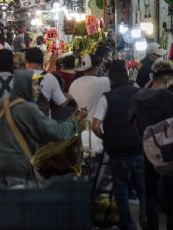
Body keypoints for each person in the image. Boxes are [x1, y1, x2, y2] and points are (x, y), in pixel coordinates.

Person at [0, 69, 87, 188]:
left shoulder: (0, 103)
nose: (39, 88)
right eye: (35, 84)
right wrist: (76, 121)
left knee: (1, 204)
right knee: (21, 205)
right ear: (24, 86)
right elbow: (57, 132)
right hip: (16, 168)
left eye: (39, 84)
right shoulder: (28, 108)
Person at [92, 60, 147, 230]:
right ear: (126, 74)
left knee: (121, 190)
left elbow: (95, 125)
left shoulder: (107, 97)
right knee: (142, 188)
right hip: (138, 147)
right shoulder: (139, 93)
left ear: (111, 78)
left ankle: (127, 224)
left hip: (117, 151)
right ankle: (145, 219)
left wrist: (106, 138)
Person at [130, 61, 173, 230]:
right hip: (169, 153)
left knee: (150, 193)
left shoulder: (138, 97)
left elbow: (132, 122)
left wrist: (144, 140)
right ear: (168, 78)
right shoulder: (170, 98)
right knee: (171, 197)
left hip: (147, 152)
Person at [24, 48, 70, 118]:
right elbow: (62, 103)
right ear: (42, 61)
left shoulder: (16, 77)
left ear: (26, 60)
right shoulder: (50, 78)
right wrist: (68, 98)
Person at [69, 54, 110, 121]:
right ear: (96, 68)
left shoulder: (74, 83)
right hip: (95, 127)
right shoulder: (104, 81)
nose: (102, 69)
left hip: (78, 126)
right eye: (101, 66)